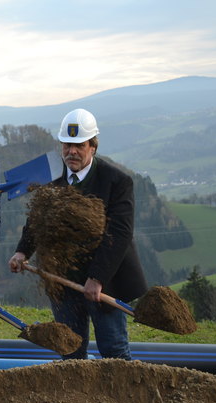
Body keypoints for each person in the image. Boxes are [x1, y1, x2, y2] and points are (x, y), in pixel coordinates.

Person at [8, 108, 147, 360]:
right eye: (67, 145)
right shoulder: (51, 177)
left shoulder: (116, 181)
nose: (71, 151)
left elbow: (120, 234)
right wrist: (22, 250)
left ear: (93, 147)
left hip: (104, 283)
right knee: (70, 352)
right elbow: (37, 220)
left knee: (114, 351)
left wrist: (97, 277)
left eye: (79, 145)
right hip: (63, 281)